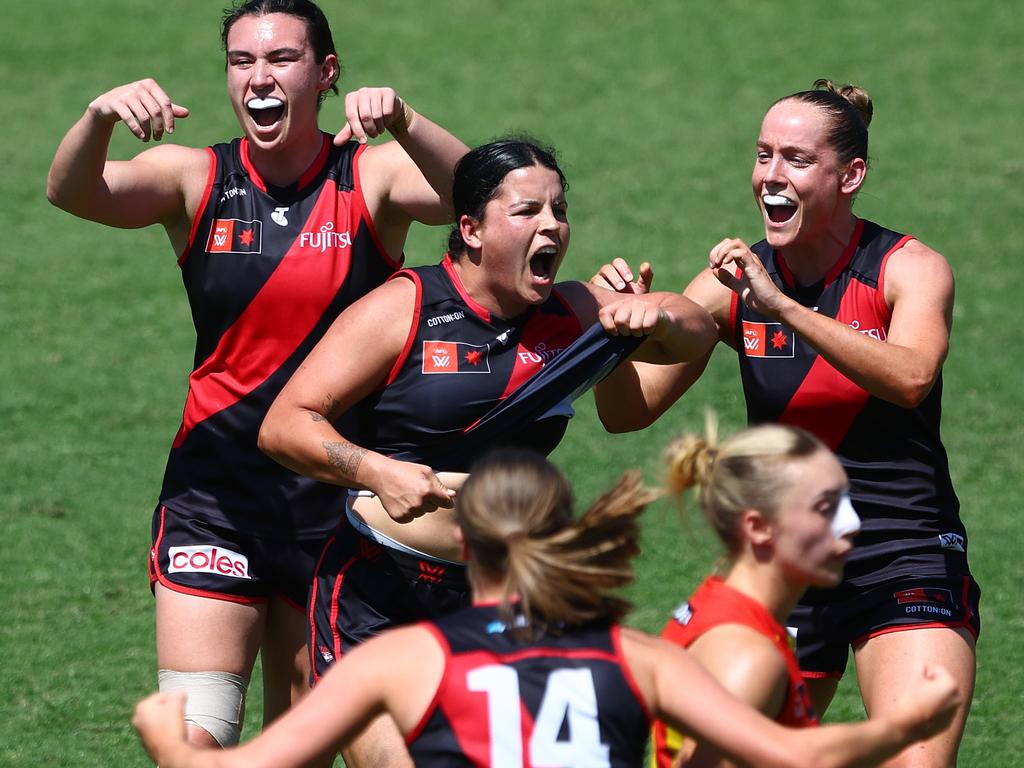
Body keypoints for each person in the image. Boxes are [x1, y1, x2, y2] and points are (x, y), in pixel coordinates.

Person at [46, 0, 468, 748]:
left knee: (297, 747)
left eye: (281, 60)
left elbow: (479, 197)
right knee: (196, 738)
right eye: (242, 62)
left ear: (326, 74)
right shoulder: (194, 179)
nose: (259, 77)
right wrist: (97, 117)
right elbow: (74, 192)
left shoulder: (369, 178)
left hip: (335, 503)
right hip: (215, 496)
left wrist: (406, 117)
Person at [256, 136, 718, 766]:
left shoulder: (573, 312)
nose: (551, 225)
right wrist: (375, 470)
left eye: (559, 210)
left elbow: (696, 329)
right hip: (378, 593)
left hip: (504, 593)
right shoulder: (405, 308)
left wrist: (656, 319)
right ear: (470, 228)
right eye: (527, 212)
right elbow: (285, 424)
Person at [132, 448, 962, 768]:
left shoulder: (404, 660)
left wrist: (170, 735)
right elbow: (798, 756)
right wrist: (905, 724)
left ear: (466, 547)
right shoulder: (638, 659)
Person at [593, 79, 979, 767]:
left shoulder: (907, 269)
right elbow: (629, 411)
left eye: (796, 159)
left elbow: (912, 378)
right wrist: (611, 337)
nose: (771, 174)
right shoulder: (731, 283)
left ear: (850, 175)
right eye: (763, 154)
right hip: (787, 558)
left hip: (904, 547)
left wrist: (785, 310)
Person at [651, 421, 862, 767]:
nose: (851, 523)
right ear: (758, 527)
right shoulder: (746, 658)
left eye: (846, 499)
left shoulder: (728, 611)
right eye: (826, 508)